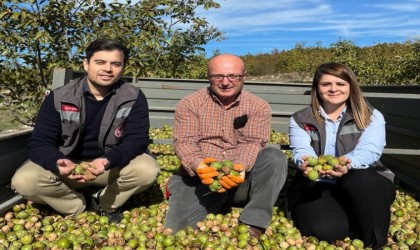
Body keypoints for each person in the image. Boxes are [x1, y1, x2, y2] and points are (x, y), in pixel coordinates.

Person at [11, 38, 160, 223]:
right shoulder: (59, 97)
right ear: (86, 64)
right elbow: (39, 143)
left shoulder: (133, 97)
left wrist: (106, 161)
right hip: (70, 167)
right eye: (100, 62)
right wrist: (58, 162)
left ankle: (105, 202)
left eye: (116, 64)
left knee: (147, 170)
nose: (108, 69)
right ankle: (77, 205)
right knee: (24, 181)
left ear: (123, 67)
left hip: (109, 166)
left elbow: (136, 140)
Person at [164, 54, 288, 237]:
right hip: (201, 181)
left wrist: (239, 167)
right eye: (217, 76)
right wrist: (199, 165)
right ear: (208, 77)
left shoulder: (258, 106)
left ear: (243, 76)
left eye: (233, 76)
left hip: (241, 181)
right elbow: (185, 141)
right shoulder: (190, 103)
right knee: (177, 231)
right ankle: (189, 194)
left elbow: (253, 142)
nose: (225, 82)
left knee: (274, 157)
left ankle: (254, 222)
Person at [286, 62, 396, 249]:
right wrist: (304, 161)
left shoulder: (370, 116)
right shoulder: (300, 118)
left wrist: (347, 163)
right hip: (319, 183)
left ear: (350, 86)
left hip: (361, 179)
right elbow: (300, 150)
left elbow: (370, 150)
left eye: (340, 83)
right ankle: (353, 213)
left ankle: (376, 242)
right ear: (317, 88)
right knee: (327, 232)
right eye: (326, 84)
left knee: (363, 181)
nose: (333, 89)